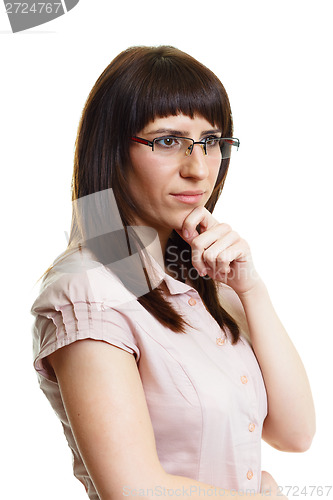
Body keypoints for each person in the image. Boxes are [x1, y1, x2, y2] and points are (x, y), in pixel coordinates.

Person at [30, 45, 315, 500]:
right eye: (167, 141)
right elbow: (134, 490)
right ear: (112, 150)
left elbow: (294, 434)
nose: (198, 169)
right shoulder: (87, 291)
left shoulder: (199, 278)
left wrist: (251, 289)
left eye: (212, 141)